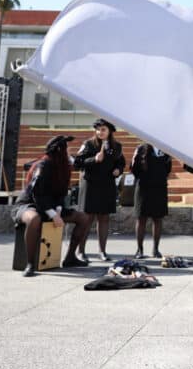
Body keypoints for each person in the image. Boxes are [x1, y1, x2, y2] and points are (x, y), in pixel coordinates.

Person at [12, 136, 90, 277]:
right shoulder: (43, 165)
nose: (69, 152)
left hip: (52, 206)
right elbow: (37, 193)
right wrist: (53, 214)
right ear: (59, 150)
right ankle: (30, 264)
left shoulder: (63, 167)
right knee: (34, 219)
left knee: (83, 218)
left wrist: (58, 212)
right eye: (67, 149)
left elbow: (61, 194)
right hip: (30, 204)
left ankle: (70, 258)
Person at [74, 118, 125, 262]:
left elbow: (121, 163)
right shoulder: (88, 144)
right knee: (87, 219)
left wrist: (118, 170)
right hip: (90, 185)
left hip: (107, 185)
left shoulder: (117, 146)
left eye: (103, 129)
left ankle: (102, 251)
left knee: (104, 219)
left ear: (109, 131)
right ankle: (80, 251)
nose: (100, 132)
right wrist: (93, 160)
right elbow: (77, 163)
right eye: (98, 129)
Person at [130, 143, 172, 259]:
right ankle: (139, 250)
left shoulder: (165, 149)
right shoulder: (140, 148)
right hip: (143, 187)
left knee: (158, 218)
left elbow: (168, 168)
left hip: (159, 187)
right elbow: (133, 168)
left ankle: (156, 249)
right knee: (141, 218)